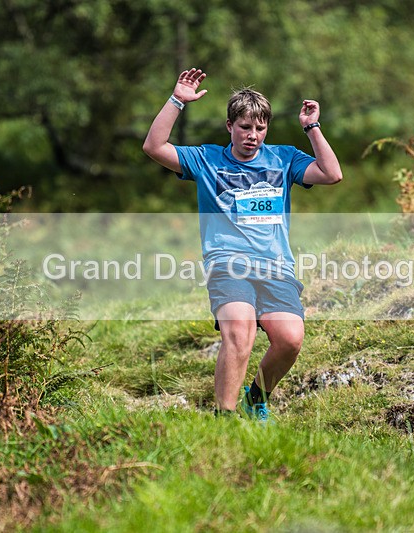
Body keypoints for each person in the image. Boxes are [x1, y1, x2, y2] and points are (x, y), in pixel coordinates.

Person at [142, 68, 343, 421]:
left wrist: (312, 129)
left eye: (260, 128)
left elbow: (331, 174)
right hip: (228, 263)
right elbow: (154, 147)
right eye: (245, 127)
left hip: (275, 267)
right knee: (240, 331)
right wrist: (177, 101)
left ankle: (256, 398)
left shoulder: (284, 158)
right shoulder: (207, 160)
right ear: (229, 127)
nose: (253, 136)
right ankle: (226, 419)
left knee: (290, 340)